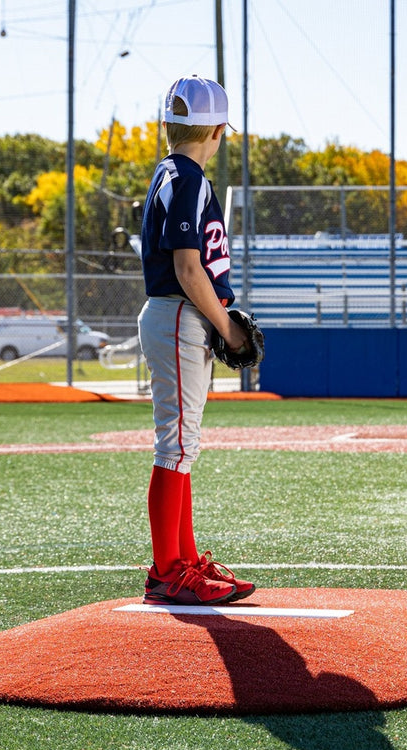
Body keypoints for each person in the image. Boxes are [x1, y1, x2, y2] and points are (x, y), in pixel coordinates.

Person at [137, 75, 256, 606]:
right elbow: (188, 268)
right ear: (216, 131)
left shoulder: (172, 172)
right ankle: (169, 571)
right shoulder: (187, 177)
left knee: (182, 446)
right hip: (180, 314)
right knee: (176, 446)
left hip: (178, 315)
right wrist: (226, 326)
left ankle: (183, 562)